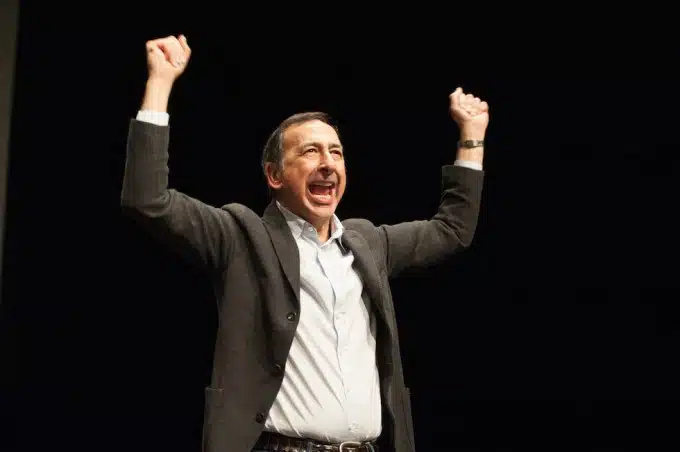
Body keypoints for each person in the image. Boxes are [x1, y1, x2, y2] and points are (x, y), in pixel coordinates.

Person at [121, 34, 488, 452]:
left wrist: (471, 136)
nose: (328, 163)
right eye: (311, 152)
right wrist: (160, 83)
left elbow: (453, 229)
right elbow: (147, 199)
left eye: (336, 152)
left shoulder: (368, 244)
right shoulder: (241, 237)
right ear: (274, 175)